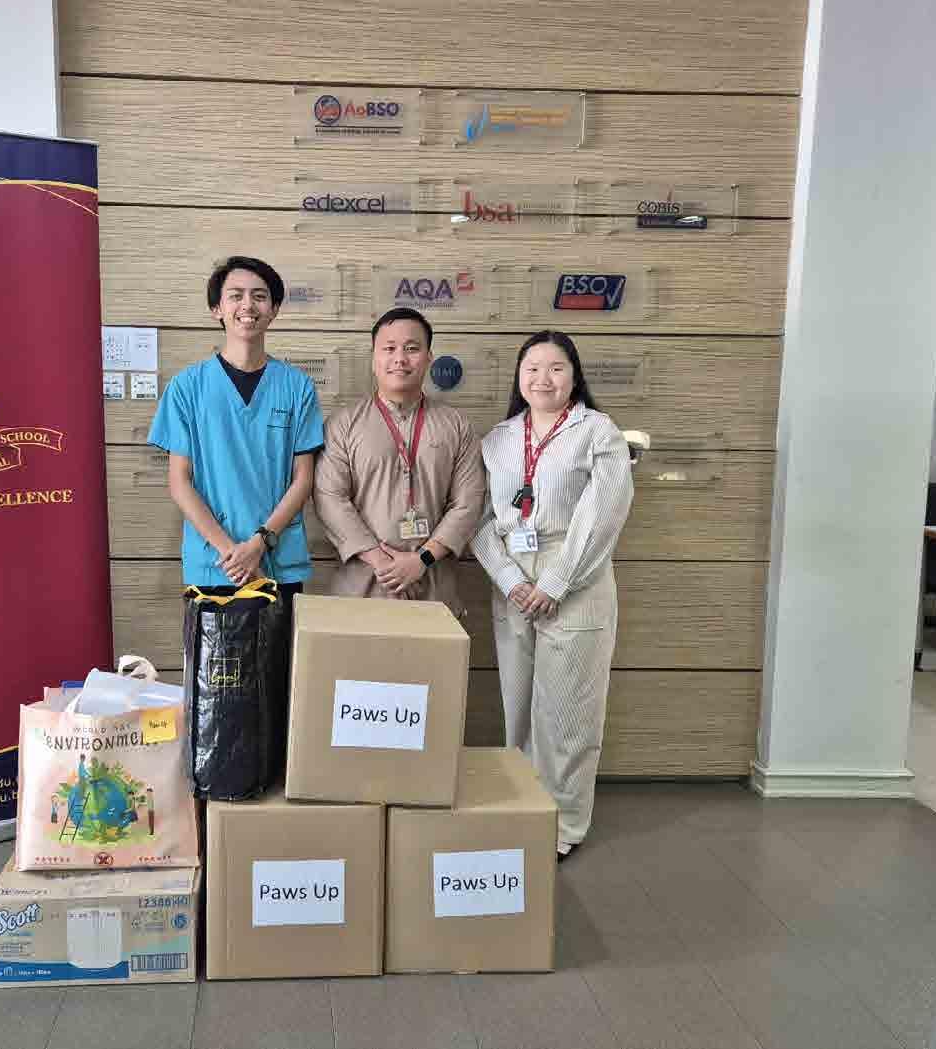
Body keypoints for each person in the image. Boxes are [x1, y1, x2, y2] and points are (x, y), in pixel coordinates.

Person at [470, 330, 634, 860]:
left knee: (567, 715)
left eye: (556, 367)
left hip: (576, 580)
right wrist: (511, 580)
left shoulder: (598, 431)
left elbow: (602, 514)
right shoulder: (498, 439)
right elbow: (480, 519)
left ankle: (562, 827)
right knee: (518, 708)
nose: (543, 378)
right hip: (513, 582)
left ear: (574, 375)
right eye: (533, 368)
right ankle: (523, 812)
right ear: (519, 377)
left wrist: (555, 583)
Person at [148, 255, 324, 594]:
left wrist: (259, 543)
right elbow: (180, 481)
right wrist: (233, 553)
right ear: (216, 308)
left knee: (284, 633)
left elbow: (303, 479)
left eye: (259, 296)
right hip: (215, 564)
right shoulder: (187, 388)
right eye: (235, 295)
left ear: (274, 310)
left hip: (278, 562)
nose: (248, 305)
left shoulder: (297, 387)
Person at [313, 307, 486, 615]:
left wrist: (421, 560)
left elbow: (468, 503)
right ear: (373, 359)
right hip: (362, 590)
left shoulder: (457, 426)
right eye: (389, 348)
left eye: (411, 348)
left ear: (429, 358)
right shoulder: (342, 425)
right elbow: (329, 498)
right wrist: (381, 561)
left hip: (434, 589)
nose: (400, 358)